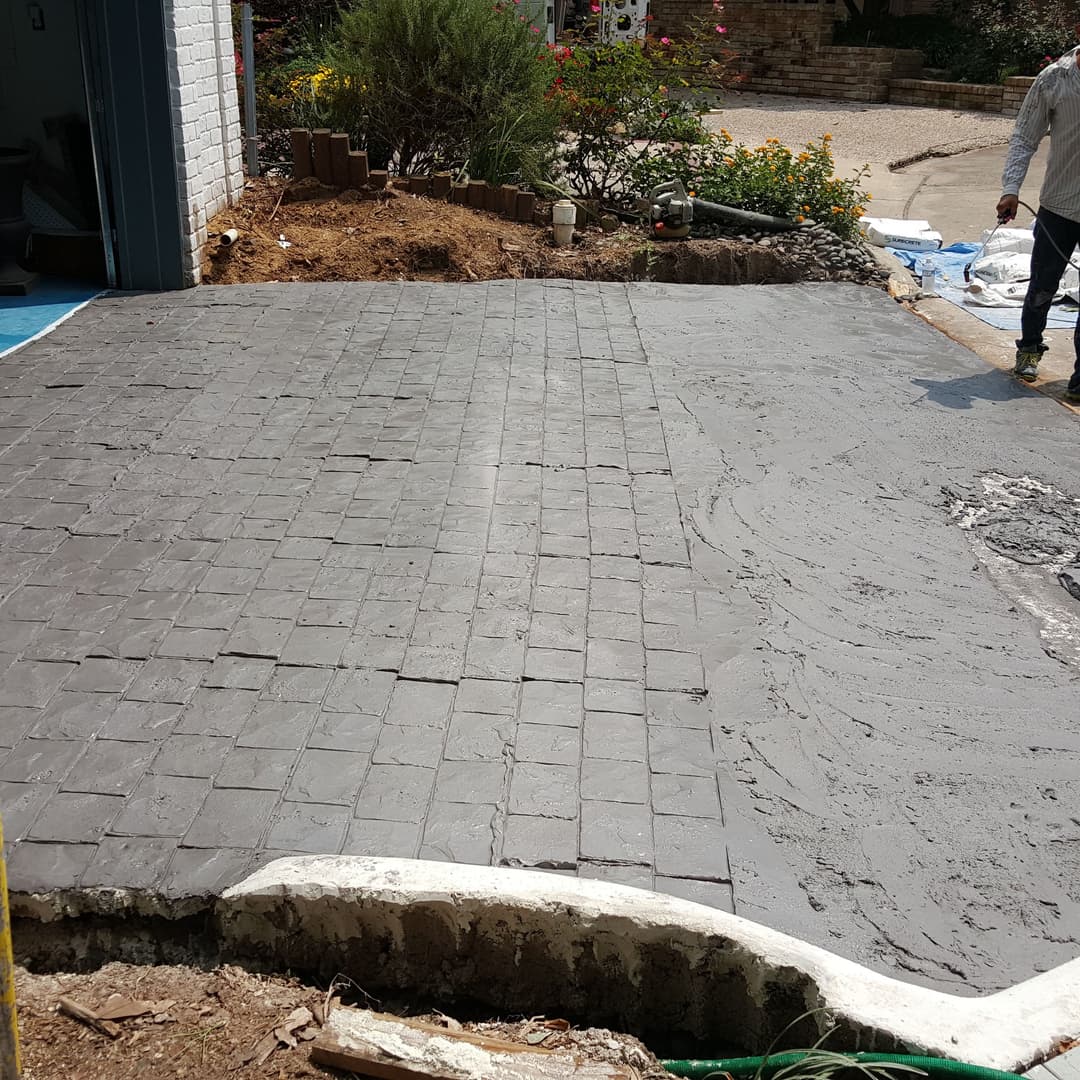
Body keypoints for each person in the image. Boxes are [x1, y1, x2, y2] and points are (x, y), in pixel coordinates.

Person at [997, 33, 1080, 403]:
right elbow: (1024, 137)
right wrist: (1010, 188)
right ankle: (1029, 348)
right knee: (1043, 286)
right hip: (1059, 206)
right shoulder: (1054, 79)